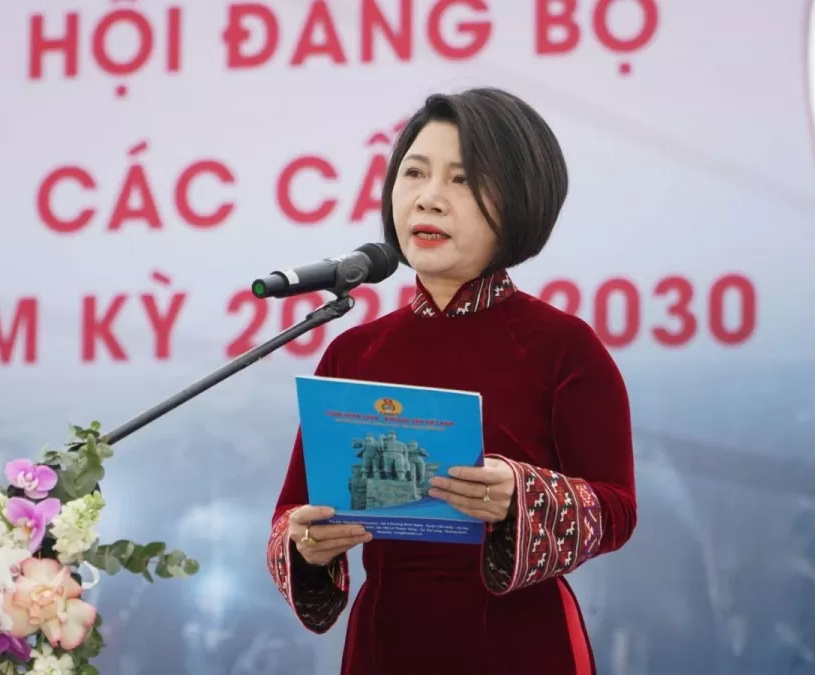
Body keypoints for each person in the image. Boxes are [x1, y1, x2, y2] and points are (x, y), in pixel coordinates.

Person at [265, 87, 637, 675]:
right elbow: (292, 512)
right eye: (414, 173)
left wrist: (522, 494)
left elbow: (617, 509)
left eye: (462, 180)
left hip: (522, 646)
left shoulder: (562, 346)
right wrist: (307, 544)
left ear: (520, 200)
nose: (429, 198)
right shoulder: (353, 351)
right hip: (384, 642)